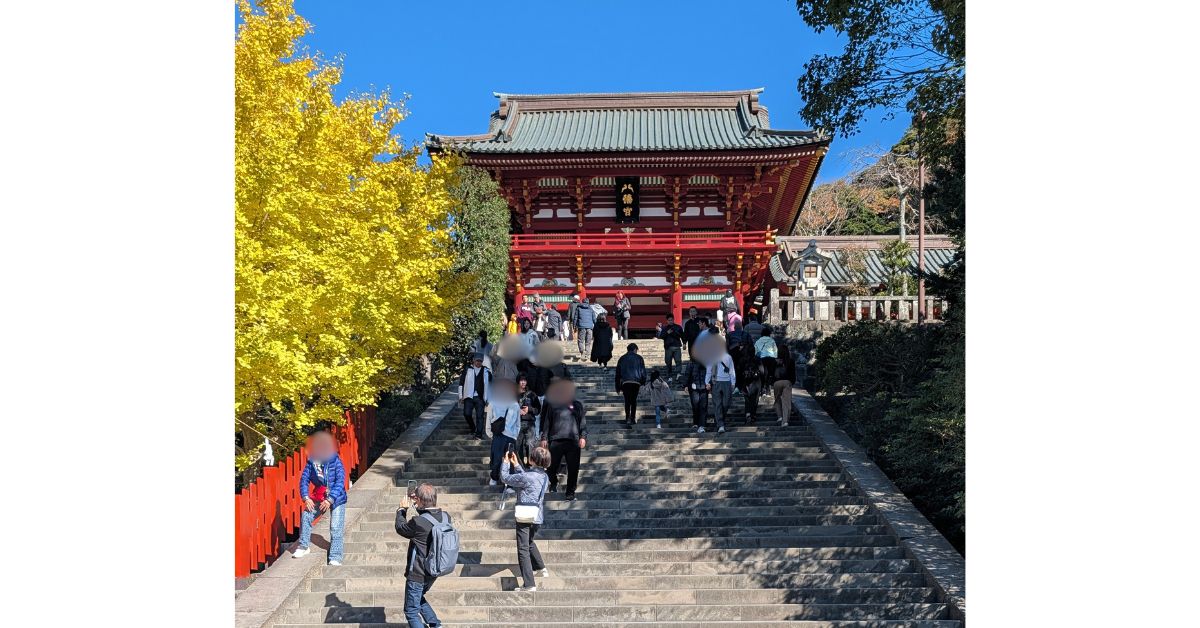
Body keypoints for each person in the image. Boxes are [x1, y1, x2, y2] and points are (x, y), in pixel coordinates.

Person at [395, 483, 448, 628]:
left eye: (417, 500)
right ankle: (436, 624)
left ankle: (435, 625)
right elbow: (429, 519)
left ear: (420, 500)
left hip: (418, 572)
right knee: (418, 598)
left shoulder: (418, 522)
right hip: (435, 568)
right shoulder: (445, 517)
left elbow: (401, 528)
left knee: (411, 611)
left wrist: (401, 510)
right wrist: (419, 502)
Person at [500, 447, 552, 592]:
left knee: (523, 548)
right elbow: (527, 479)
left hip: (524, 515)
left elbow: (505, 478)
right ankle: (541, 568)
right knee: (529, 542)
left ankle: (529, 584)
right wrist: (516, 465)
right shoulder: (544, 477)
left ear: (532, 459)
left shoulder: (528, 476)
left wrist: (505, 463)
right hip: (537, 516)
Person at [293, 431, 347, 565]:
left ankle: (335, 556)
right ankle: (304, 546)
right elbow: (304, 480)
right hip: (319, 496)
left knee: (335, 526)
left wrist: (330, 499)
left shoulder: (335, 460)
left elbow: (340, 480)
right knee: (306, 515)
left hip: (337, 497)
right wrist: (306, 497)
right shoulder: (311, 462)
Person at [539, 378, 587, 500]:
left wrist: (583, 436)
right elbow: (547, 422)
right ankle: (553, 482)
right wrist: (544, 437)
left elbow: (582, 423)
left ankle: (570, 492)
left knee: (573, 468)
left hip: (573, 440)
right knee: (551, 467)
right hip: (556, 439)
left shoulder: (577, 405)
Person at [489, 379, 521, 487]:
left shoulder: (515, 405)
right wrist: (490, 433)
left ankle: (509, 485)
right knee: (496, 459)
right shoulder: (494, 402)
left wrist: (515, 436)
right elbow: (489, 419)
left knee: (511, 461)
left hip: (511, 436)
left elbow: (518, 423)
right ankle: (494, 477)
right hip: (498, 435)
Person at [705, 341, 737, 434]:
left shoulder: (728, 357)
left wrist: (733, 382)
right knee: (717, 403)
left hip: (727, 382)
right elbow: (709, 370)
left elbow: (732, 370)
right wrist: (707, 382)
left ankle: (720, 418)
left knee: (726, 403)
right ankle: (720, 424)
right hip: (716, 382)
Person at [458, 353, 491, 440]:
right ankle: (473, 428)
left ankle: (478, 435)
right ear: (473, 360)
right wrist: (461, 396)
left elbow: (491, 385)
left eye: (480, 361)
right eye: (477, 361)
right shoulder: (467, 370)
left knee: (480, 416)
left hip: (480, 397)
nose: (479, 362)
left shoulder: (486, 371)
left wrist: (488, 398)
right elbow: (461, 383)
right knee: (466, 413)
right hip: (469, 396)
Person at [614, 343, 647, 427]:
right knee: (633, 400)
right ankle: (633, 417)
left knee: (627, 401)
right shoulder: (639, 358)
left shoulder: (622, 358)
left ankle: (627, 417)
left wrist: (618, 387)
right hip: (636, 382)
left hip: (625, 382)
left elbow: (618, 374)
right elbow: (643, 371)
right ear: (635, 349)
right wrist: (643, 382)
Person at [770, 329, 797, 426]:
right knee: (786, 402)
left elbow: (771, 373)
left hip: (777, 383)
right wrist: (791, 382)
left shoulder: (774, 361)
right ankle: (785, 421)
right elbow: (793, 374)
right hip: (787, 382)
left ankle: (779, 416)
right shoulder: (790, 361)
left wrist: (771, 382)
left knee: (777, 399)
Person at [515, 375, 542, 464]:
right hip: (517, 423)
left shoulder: (532, 394)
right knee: (518, 446)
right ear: (518, 382)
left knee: (530, 445)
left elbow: (538, 410)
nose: (523, 382)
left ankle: (530, 464)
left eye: (524, 380)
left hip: (530, 423)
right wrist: (517, 410)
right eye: (521, 380)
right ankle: (519, 464)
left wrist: (529, 409)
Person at [655, 313, 684, 380]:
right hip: (668, 348)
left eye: (671, 320)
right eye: (669, 320)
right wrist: (667, 333)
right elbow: (661, 337)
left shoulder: (678, 327)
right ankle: (669, 375)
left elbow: (682, 336)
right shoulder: (665, 328)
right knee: (668, 362)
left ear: (673, 320)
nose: (670, 321)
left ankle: (678, 374)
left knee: (678, 361)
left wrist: (684, 343)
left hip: (677, 346)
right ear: (667, 321)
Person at [684, 357, 710, 433]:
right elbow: (687, 373)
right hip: (694, 387)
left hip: (704, 387)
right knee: (695, 405)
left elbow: (710, 373)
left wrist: (710, 383)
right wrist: (685, 385)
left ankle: (702, 424)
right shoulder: (691, 362)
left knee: (703, 406)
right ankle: (696, 422)